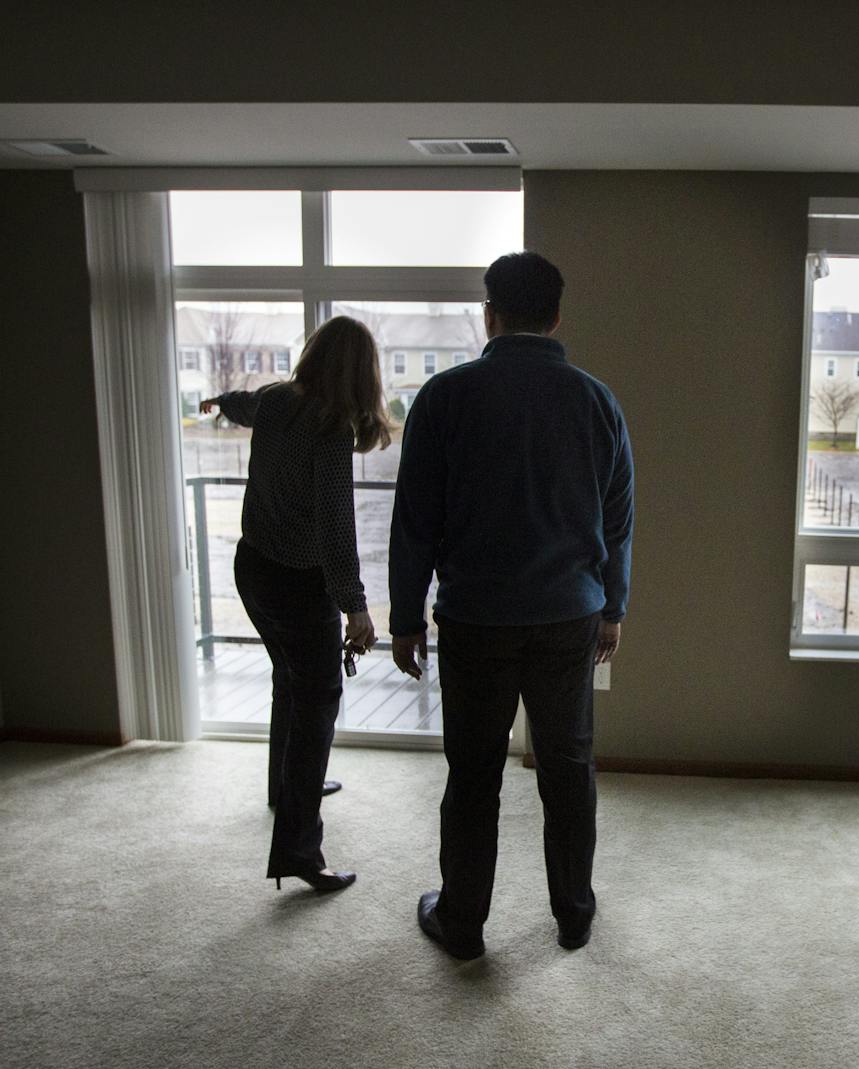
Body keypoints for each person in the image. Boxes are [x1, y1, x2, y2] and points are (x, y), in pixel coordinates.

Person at [389, 251, 633, 959]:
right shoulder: (596, 401)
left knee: (474, 774)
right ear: (557, 316)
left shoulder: (444, 397)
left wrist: (406, 617)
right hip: (569, 616)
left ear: (488, 314)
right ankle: (574, 914)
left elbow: (415, 522)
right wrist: (613, 606)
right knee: (567, 767)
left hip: (475, 617)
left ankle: (462, 920)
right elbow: (616, 521)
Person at [200, 315, 390, 894]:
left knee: (291, 678)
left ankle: (285, 790)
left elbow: (245, 404)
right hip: (295, 582)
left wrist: (217, 400)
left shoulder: (280, 400)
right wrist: (356, 606)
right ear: (361, 374)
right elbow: (336, 526)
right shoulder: (331, 428)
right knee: (319, 700)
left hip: (252, 569)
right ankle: (300, 851)